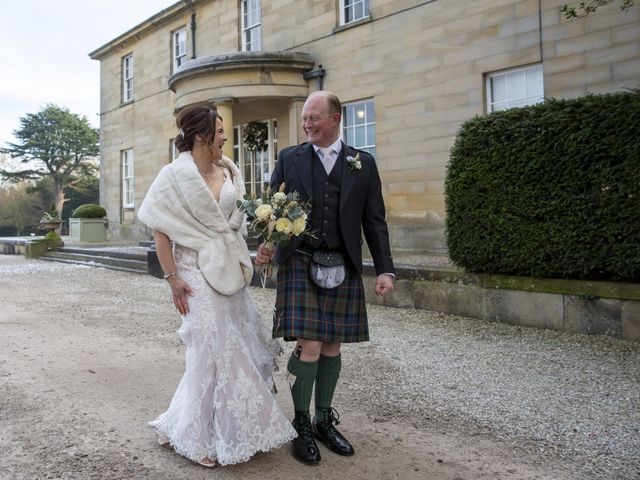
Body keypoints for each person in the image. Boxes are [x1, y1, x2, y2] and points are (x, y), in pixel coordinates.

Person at [138, 106, 296, 468]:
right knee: (211, 351)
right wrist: (172, 278)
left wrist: (255, 251)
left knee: (234, 345)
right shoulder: (172, 175)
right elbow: (160, 231)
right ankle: (198, 437)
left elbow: (237, 225)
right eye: (220, 131)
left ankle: (214, 429)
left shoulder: (228, 170)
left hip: (229, 270)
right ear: (202, 136)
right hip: (193, 273)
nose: (226, 137)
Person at [256, 90, 395, 465]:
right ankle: (301, 424)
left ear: (335, 118)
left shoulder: (362, 164)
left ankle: (323, 420)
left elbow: (374, 220)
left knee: (333, 346)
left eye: (314, 117)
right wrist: (266, 245)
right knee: (311, 344)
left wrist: (384, 268)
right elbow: (272, 210)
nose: (307, 124)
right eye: (304, 118)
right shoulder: (289, 157)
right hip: (300, 261)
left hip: (344, 264)